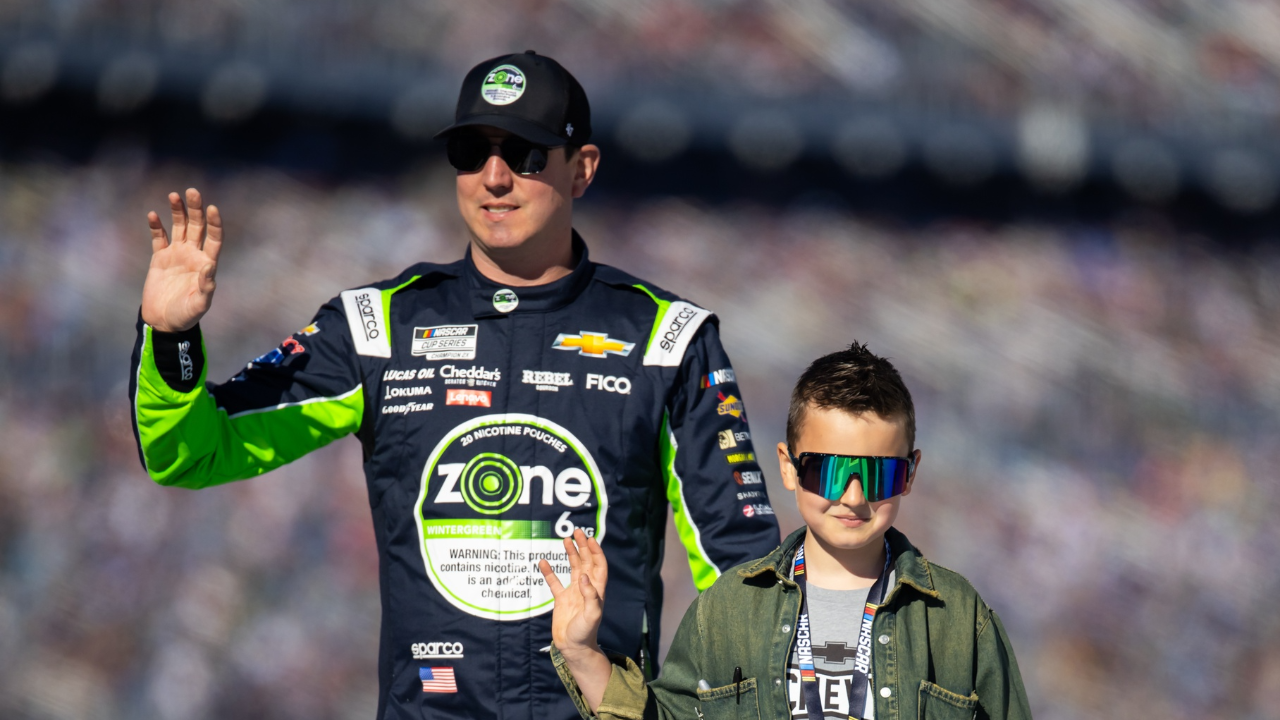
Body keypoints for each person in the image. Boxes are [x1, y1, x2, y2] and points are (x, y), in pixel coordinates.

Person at [128, 51, 780, 719]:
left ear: (581, 169)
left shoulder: (667, 338)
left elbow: (741, 570)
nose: (494, 178)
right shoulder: (377, 325)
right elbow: (190, 452)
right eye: (471, 151)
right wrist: (171, 338)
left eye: (524, 153)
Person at [542, 341, 1033, 720]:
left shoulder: (957, 613)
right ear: (788, 467)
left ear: (911, 472)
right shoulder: (727, 608)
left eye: (880, 474)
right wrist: (581, 652)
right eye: (830, 472)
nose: (855, 497)